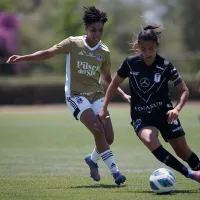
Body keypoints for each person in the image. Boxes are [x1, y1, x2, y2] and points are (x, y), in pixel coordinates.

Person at [6, 6, 130, 185]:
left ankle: (92, 160)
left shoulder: (104, 51)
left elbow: (107, 78)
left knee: (108, 137)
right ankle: (116, 172)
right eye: (93, 30)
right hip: (76, 95)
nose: (97, 34)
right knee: (97, 129)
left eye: (100, 30)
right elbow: (48, 53)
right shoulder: (73, 43)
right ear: (86, 28)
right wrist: (23, 58)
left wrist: (123, 94)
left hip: (96, 95)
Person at [100, 23, 200, 183]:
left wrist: (177, 109)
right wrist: (104, 107)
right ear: (139, 46)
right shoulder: (130, 63)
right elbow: (113, 84)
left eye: (151, 48)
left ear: (157, 46)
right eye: (143, 48)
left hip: (165, 114)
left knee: (183, 152)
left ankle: (197, 169)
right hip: (141, 115)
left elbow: (184, 90)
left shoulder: (165, 65)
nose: (147, 52)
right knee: (149, 139)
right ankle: (190, 174)